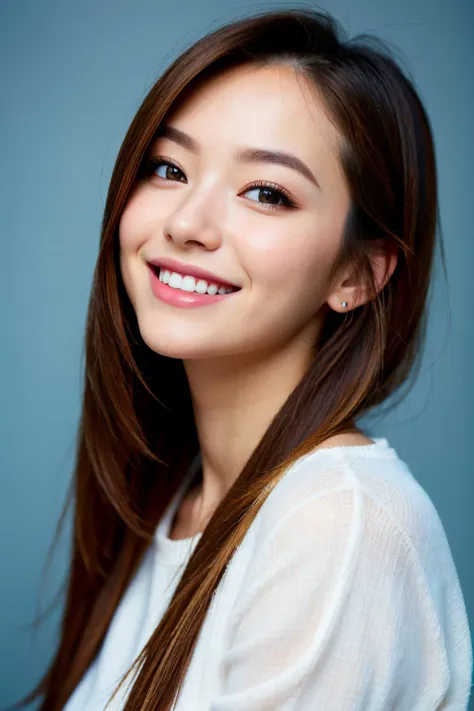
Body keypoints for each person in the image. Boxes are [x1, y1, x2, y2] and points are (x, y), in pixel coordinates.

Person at [15, 8, 472, 711]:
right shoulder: (172, 500)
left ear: (359, 274)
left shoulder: (338, 522)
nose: (187, 223)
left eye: (266, 192)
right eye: (169, 168)